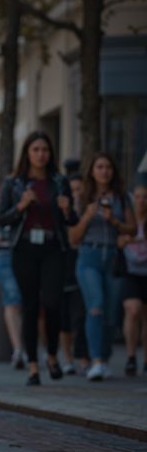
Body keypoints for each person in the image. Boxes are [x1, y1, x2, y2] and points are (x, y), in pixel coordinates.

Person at [0, 131, 77, 386]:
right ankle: (33, 365)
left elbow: (71, 221)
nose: (41, 154)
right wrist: (21, 206)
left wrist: (67, 210)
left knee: (52, 303)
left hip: (53, 247)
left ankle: (51, 356)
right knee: (30, 305)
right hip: (24, 248)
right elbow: (2, 219)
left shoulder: (59, 181)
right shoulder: (14, 183)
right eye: (36, 150)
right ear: (27, 153)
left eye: (45, 150)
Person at [68, 153, 135, 381]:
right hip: (89, 255)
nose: (104, 171)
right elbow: (73, 238)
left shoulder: (122, 198)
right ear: (92, 171)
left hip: (113, 257)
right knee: (95, 305)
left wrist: (114, 222)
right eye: (99, 166)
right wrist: (87, 216)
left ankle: (105, 359)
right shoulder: (83, 197)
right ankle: (95, 360)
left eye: (108, 167)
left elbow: (132, 229)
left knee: (111, 314)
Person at [60, 171, 88, 375]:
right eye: (72, 190)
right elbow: (71, 238)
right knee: (64, 315)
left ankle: (83, 355)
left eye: (79, 189)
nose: (76, 194)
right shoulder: (62, 212)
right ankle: (66, 356)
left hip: (84, 263)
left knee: (81, 313)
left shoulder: (90, 210)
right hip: (65, 264)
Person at [119, 181, 147, 376]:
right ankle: (130, 356)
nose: (141, 201)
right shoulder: (126, 220)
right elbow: (118, 240)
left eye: (145, 197)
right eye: (137, 197)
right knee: (133, 309)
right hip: (130, 271)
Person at [0, 229, 26, 369]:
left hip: (27, 250)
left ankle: (22, 348)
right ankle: (18, 349)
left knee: (23, 302)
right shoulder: (5, 213)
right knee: (13, 300)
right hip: (5, 253)